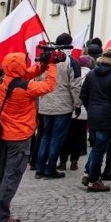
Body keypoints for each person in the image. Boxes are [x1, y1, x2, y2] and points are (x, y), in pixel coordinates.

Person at [0, 51, 58, 222]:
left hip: (3, 135)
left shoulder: (2, 81)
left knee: (3, 175)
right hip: (19, 138)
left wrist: (41, 65)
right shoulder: (24, 88)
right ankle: (1, 217)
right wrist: (51, 66)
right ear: (20, 67)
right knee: (11, 178)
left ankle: (0, 209)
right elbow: (48, 86)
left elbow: (24, 75)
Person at [34, 33, 81, 180]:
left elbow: (37, 79)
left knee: (45, 136)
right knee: (56, 138)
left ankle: (39, 168)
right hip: (62, 105)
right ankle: (50, 169)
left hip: (45, 103)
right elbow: (75, 86)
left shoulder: (45, 59)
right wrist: (78, 104)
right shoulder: (71, 62)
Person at [80, 47, 111, 192]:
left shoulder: (92, 74)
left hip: (94, 115)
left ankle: (88, 173)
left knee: (97, 147)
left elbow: (83, 95)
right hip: (108, 117)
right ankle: (94, 180)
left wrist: (91, 108)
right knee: (100, 149)